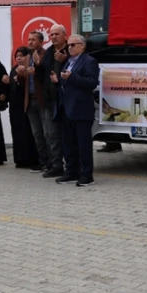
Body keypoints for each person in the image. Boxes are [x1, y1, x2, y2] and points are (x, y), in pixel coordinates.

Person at [54, 34, 99, 187]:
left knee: (83, 145)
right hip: (67, 108)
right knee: (69, 144)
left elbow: (92, 83)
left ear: (83, 46)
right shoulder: (68, 62)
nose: (70, 47)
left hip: (81, 110)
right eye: (69, 45)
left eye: (73, 45)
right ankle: (71, 172)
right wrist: (58, 81)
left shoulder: (89, 61)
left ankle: (87, 175)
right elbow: (66, 82)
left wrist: (71, 77)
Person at [35, 24, 68, 178]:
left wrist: (65, 60)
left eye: (56, 34)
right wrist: (37, 66)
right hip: (50, 101)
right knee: (52, 135)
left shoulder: (70, 50)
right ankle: (56, 165)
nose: (53, 37)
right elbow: (43, 75)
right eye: (52, 34)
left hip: (66, 101)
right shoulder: (49, 52)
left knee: (68, 135)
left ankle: (73, 166)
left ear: (64, 35)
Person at [17, 30, 49, 172]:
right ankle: (43, 162)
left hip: (42, 100)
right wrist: (20, 75)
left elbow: (46, 77)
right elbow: (22, 82)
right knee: (37, 134)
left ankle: (53, 163)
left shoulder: (46, 55)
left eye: (33, 40)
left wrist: (37, 69)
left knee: (47, 133)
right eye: (29, 39)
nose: (30, 42)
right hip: (29, 101)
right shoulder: (26, 58)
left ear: (41, 42)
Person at [8, 46, 39, 169]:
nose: (19, 58)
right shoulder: (13, 69)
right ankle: (20, 159)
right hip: (15, 107)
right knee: (17, 133)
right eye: (17, 56)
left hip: (26, 105)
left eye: (22, 56)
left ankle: (32, 158)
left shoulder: (30, 69)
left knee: (29, 132)